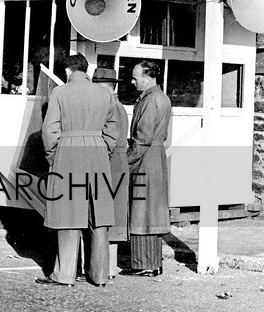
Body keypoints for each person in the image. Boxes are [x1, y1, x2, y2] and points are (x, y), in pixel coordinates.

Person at [37, 54, 118, 287]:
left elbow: (50, 131)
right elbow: (113, 130)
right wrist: (104, 151)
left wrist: (53, 156)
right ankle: (100, 275)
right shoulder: (105, 94)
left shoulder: (60, 93)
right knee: (98, 216)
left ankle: (64, 275)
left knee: (68, 214)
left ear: (68, 71)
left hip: (68, 153)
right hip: (98, 154)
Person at [122, 61, 171, 278]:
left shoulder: (150, 100)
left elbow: (142, 139)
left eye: (135, 78)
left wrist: (124, 161)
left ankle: (143, 264)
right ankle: (153, 264)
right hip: (156, 158)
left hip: (145, 159)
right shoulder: (161, 98)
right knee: (152, 212)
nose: (133, 82)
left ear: (148, 78)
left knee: (141, 212)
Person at [92, 68, 130, 280]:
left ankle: (106, 266)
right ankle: (110, 266)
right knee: (113, 214)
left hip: (110, 162)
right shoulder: (117, 105)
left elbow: (108, 141)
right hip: (117, 161)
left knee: (106, 213)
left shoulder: (109, 107)